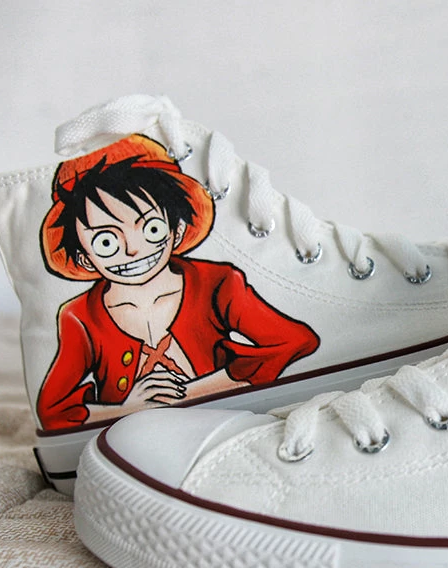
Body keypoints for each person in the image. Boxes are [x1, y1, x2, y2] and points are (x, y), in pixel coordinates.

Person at [37, 134, 319, 431]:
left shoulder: (217, 283)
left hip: (217, 422)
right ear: (84, 258)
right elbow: (53, 410)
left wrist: (190, 394)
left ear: (177, 229)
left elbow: (294, 340)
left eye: (151, 228)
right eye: (106, 241)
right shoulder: (79, 315)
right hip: (131, 437)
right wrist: (127, 409)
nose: (133, 250)